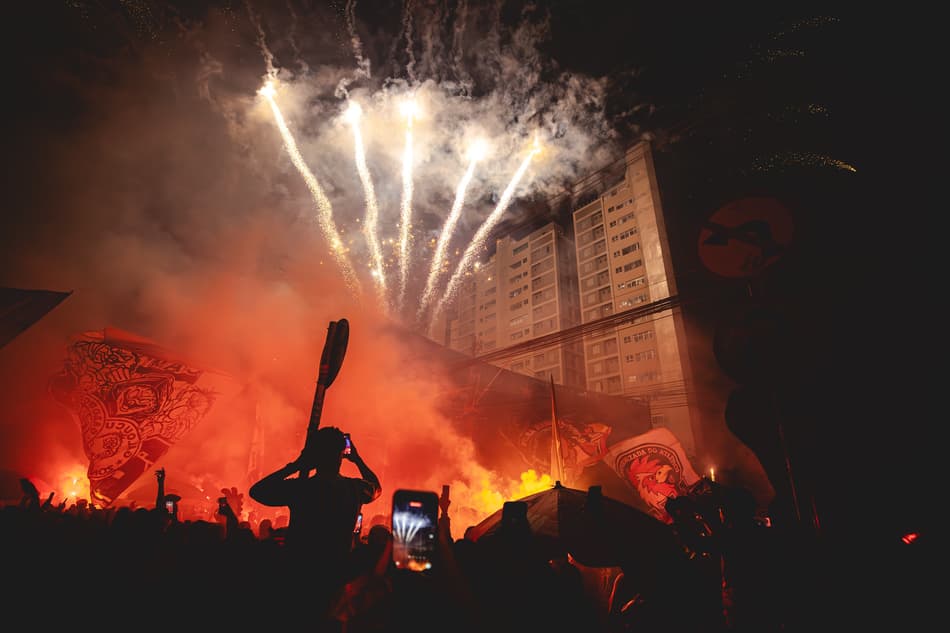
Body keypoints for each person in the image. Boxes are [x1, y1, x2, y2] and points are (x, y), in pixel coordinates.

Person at [249, 425, 382, 618]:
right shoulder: (354, 489)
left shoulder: (302, 488)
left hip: (298, 575)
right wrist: (357, 460)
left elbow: (258, 491)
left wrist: (297, 465)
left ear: (314, 455)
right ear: (341, 455)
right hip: (335, 575)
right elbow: (376, 488)